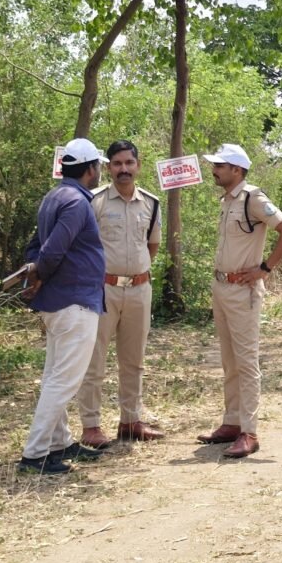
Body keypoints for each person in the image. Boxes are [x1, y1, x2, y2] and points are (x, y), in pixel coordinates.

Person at [196, 144, 282, 458]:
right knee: (228, 359)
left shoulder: (253, 198)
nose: (214, 170)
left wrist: (265, 269)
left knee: (246, 360)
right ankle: (231, 421)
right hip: (222, 286)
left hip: (243, 291)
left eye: (220, 165)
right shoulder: (228, 200)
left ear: (237, 170)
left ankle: (249, 431)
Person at [17, 138, 108, 475]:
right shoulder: (76, 202)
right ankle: (35, 454)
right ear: (90, 169)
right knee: (63, 381)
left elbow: (34, 247)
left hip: (60, 302)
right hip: (74, 301)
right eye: (98, 165)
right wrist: (41, 273)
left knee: (56, 376)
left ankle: (59, 443)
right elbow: (52, 250)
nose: (99, 170)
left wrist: (36, 272)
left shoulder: (54, 197)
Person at [77, 140, 164, 448]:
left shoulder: (152, 203)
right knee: (94, 359)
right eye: (117, 164)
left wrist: (135, 274)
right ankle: (91, 426)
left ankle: (130, 421)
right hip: (102, 290)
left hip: (140, 289)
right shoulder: (94, 202)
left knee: (134, 360)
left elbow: (152, 245)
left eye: (129, 163)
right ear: (108, 167)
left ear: (138, 165)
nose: (123, 169)